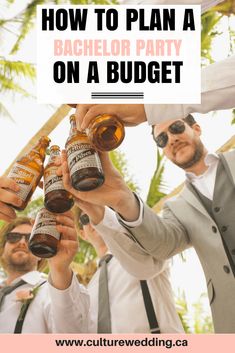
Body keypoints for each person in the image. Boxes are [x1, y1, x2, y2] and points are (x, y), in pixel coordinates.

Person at [59, 113, 235, 333]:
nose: (171, 139)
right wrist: (122, 198)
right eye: (161, 139)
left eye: (176, 127)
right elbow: (161, 246)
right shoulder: (176, 209)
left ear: (197, 128)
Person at [0, 176, 89, 333]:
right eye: (14, 237)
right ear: (3, 246)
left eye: (30, 238)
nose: (21, 242)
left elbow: (73, 338)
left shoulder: (53, 290)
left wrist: (60, 270)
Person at [78, 213, 183, 333]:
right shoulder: (90, 288)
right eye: (85, 218)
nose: (92, 217)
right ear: (83, 234)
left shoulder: (142, 250)